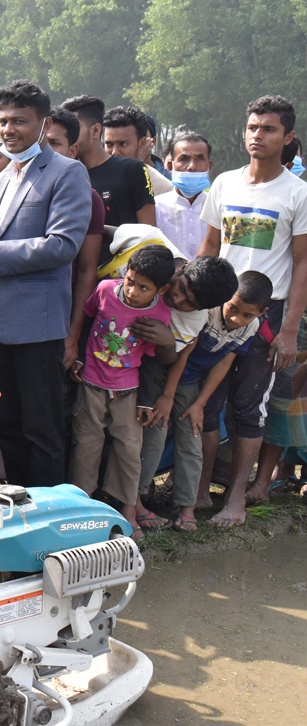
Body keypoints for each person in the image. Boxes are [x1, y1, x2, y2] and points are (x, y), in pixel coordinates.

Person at [0, 80, 91, 487]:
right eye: (4, 120)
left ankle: (47, 515)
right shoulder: (7, 174)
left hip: (37, 325)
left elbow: (62, 245)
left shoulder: (67, 172)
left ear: (43, 124)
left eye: (20, 121)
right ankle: (16, 503)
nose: (9, 129)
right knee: (6, 423)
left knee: (41, 427)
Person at [197, 95, 307, 523]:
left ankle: (237, 497)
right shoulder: (224, 183)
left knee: (249, 405)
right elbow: (208, 248)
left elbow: (302, 266)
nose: (258, 136)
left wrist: (288, 331)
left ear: (288, 137)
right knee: (208, 404)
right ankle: (200, 491)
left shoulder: (298, 193)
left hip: (269, 316)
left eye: (269, 129)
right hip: (219, 309)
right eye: (253, 127)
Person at [149, 270, 264, 535]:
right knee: (154, 434)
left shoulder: (252, 327)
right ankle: (137, 503)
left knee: (192, 439)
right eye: (232, 308)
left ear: (261, 313)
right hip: (165, 376)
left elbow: (224, 363)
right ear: (225, 299)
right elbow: (184, 354)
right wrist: (167, 396)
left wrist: (200, 403)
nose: (236, 319)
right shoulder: (206, 312)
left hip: (190, 385)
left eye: (247, 315)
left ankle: (187, 508)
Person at [70, 245, 174, 538]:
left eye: (144, 287)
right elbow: (88, 320)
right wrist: (78, 356)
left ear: (160, 289)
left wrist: (146, 400)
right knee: (86, 444)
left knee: (129, 449)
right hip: (91, 382)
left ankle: (127, 507)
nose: (132, 291)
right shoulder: (104, 290)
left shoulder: (160, 315)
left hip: (128, 390)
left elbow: (152, 360)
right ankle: (82, 506)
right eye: (130, 281)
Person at [45, 107, 106, 370]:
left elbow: (86, 270)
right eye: (41, 143)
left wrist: (73, 334)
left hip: (60, 316)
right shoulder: (12, 187)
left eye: (54, 143)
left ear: (72, 151)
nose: (45, 151)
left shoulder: (88, 197)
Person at [60, 95, 155, 227]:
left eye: (74, 129)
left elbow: (148, 231)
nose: (68, 136)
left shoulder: (133, 170)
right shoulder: (64, 174)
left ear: (96, 130)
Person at [156, 129, 213, 259]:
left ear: (209, 166)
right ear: (170, 166)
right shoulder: (155, 208)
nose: (192, 166)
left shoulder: (217, 208)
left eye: (199, 159)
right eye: (184, 159)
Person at [103, 104, 174, 195]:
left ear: (142, 144)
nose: (114, 152)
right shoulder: (92, 182)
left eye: (123, 144)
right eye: (109, 144)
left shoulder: (163, 190)